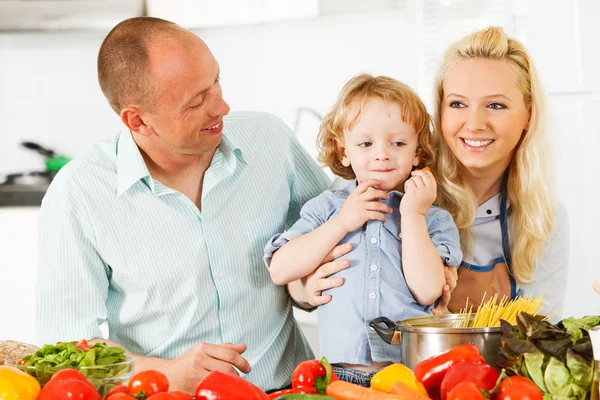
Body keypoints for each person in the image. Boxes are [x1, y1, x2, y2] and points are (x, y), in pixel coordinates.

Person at [35, 17, 331, 392]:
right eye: (196, 103)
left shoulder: (269, 141)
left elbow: (332, 233)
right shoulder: (79, 193)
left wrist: (306, 284)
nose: (222, 106)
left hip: (291, 390)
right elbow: (65, 345)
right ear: (138, 120)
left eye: (216, 81)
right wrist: (164, 371)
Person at [288, 26, 569, 322]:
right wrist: (305, 290)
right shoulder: (386, 175)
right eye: (458, 104)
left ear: (528, 113)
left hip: (493, 368)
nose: (474, 124)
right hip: (398, 368)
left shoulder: (542, 216)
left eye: (495, 105)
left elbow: (541, 329)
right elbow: (297, 269)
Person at [265, 74, 462, 387]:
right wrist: (342, 222)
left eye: (397, 143)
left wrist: (412, 214)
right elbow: (280, 269)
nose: (381, 153)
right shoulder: (327, 208)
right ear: (344, 151)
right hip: (337, 376)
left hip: (409, 375)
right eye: (366, 143)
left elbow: (427, 291)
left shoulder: (433, 218)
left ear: (417, 153)